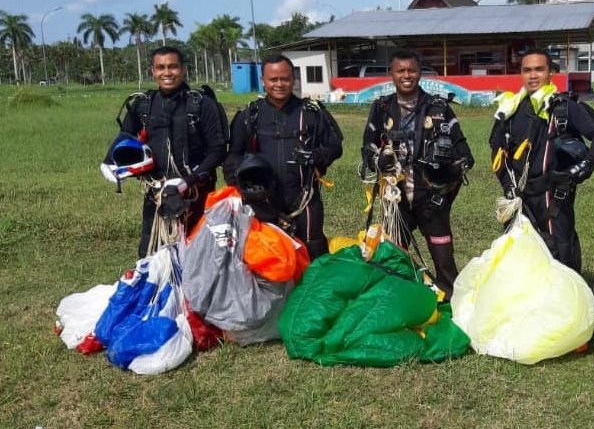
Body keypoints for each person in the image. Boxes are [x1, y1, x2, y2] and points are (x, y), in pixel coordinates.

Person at [361, 49, 474, 296]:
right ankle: (400, 300)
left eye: (411, 70)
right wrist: (380, 160)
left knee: (443, 259)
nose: (406, 75)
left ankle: (452, 305)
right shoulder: (381, 108)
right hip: (396, 199)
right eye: (400, 71)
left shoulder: (439, 107)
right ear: (391, 74)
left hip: (432, 198)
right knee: (392, 258)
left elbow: (465, 154)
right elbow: (367, 148)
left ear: (420, 72)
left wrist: (447, 163)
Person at [489, 49, 594, 272]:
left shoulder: (563, 107)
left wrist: (584, 167)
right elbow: (496, 149)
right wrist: (508, 186)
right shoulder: (510, 109)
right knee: (519, 251)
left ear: (550, 73)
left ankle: (570, 299)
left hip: (554, 193)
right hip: (519, 196)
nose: (533, 75)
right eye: (527, 70)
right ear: (521, 74)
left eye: (539, 69)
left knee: (561, 250)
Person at [224, 55, 343, 259]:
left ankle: (311, 290)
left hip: (304, 198)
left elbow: (335, 146)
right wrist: (241, 181)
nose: (279, 84)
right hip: (261, 201)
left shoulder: (312, 112)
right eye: (273, 79)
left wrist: (316, 156)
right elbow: (232, 156)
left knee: (312, 252)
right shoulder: (249, 116)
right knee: (266, 256)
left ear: (293, 80)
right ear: (263, 81)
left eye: (285, 79)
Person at [117, 46, 227, 257]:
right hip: (156, 195)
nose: (167, 73)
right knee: (152, 255)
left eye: (173, 67)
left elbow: (218, 149)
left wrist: (190, 180)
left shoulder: (202, 104)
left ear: (183, 69)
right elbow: (124, 141)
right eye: (161, 67)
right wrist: (114, 165)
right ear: (153, 71)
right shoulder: (143, 106)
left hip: (197, 194)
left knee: (198, 255)